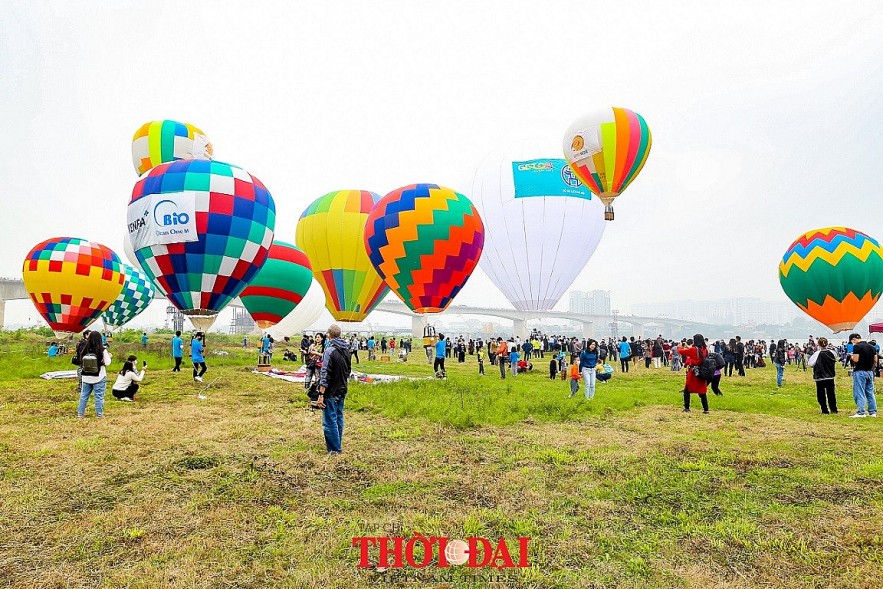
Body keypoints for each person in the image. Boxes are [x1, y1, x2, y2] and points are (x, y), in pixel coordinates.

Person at [315, 324, 351, 454]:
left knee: (329, 421)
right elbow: (348, 370)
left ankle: (335, 450)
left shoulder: (329, 350)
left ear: (328, 335)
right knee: (339, 418)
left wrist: (321, 393)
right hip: (342, 388)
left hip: (331, 391)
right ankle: (337, 444)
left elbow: (325, 374)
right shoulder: (346, 349)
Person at [77, 331, 112, 418]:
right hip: (99, 376)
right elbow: (107, 362)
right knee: (99, 396)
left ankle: (80, 414)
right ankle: (99, 415)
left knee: (83, 396)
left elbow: (80, 362)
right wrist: (109, 356)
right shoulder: (102, 350)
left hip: (85, 377)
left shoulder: (84, 349)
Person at [678, 334, 710, 414]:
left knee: (687, 390)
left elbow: (681, 351)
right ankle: (706, 409)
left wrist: (679, 346)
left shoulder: (693, 350)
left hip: (693, 373)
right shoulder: (705, 349)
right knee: (702, 392)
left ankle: (687, 408)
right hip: (702, 372)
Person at [848, 333, 878, 418]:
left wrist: (852, 356)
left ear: (854, 339)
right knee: (870, 392)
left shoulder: (857, 347)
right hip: (870, 372)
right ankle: (872, 412)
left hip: (860, 371)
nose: (852, 343)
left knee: (859, 391)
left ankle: (861, 412)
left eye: (852, 341)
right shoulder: (872, 347)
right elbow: (875, 360)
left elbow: (856, 360)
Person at [808, 337, 838, 414]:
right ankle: (833, 409)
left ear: (818, 344)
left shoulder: (817, 354)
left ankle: (824, 410)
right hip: (830, 376)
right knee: (831, 393)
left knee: (821, 394)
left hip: (820, 376)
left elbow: (810, 364)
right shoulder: (832, 353)